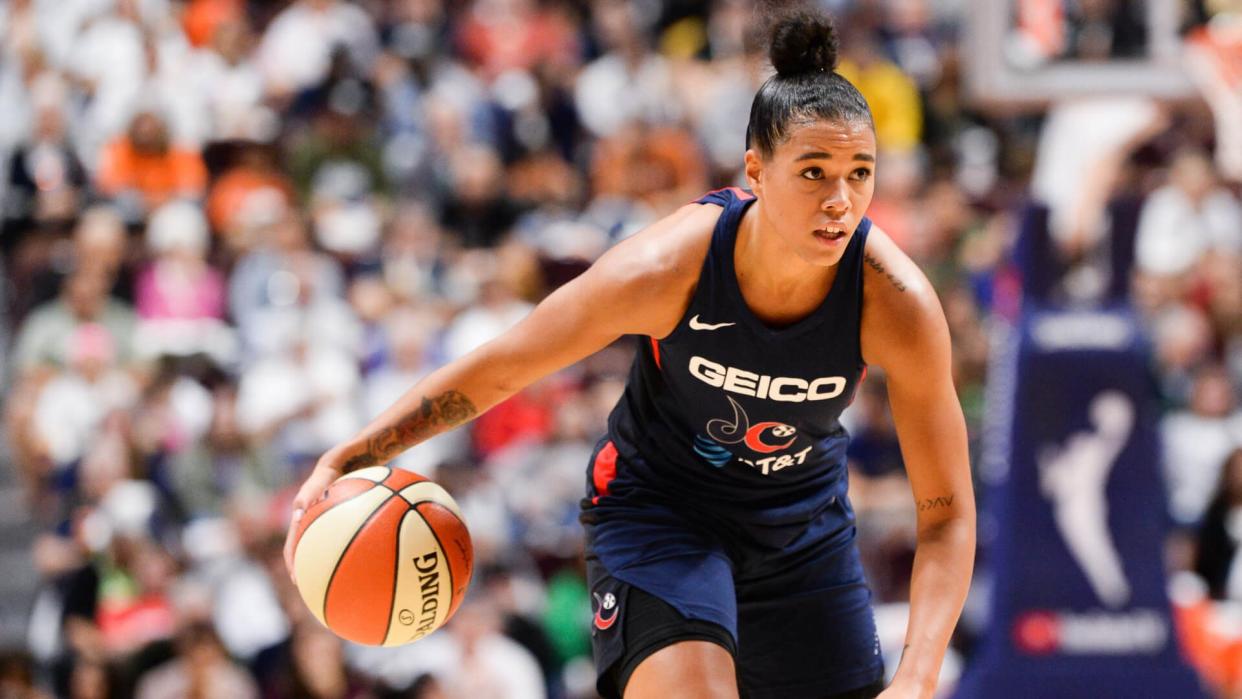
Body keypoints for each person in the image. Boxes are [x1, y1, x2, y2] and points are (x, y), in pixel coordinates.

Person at [284, 9, 974, 699]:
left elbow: (945, 513)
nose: (840, 200)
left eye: (860, 172)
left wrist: (916, 677)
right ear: (756, 171)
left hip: (801, 530)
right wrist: (357, 452)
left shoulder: (898, 302)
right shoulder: (667, 267)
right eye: (815, 171)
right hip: (662, 513)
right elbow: (505, 365)